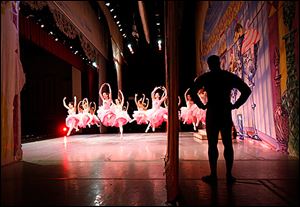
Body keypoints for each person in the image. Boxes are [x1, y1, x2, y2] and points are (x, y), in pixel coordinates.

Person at [190, 55, 251, 184]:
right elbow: (246, 90)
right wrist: (235, 105)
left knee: (212, 145)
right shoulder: (228, 76)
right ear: (219, 63)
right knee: (227, 144)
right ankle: (229, 175)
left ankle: (214, 175)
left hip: (212, 112)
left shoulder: (206, 77)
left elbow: (192, 91)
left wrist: (201, 105)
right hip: (225, 112)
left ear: (209, 65)